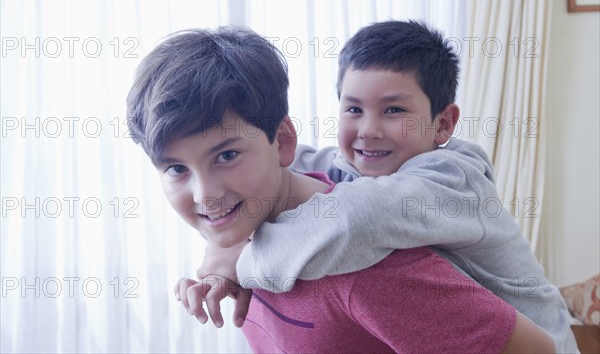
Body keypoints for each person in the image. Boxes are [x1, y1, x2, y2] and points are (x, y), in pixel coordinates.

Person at [126, 27, 554, 353]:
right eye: (177, 168)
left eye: (225, 156)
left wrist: (242, 260)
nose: (205, 195)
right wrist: (221, 260)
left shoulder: (416, 205)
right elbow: (300, 161)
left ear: (442, 123)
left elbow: (358, 218)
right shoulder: (326, 177)